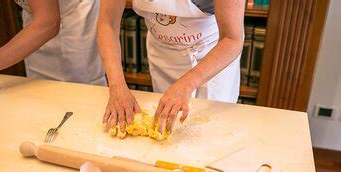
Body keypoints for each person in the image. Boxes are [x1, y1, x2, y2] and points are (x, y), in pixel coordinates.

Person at [98, 0, 244, 134]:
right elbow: (108, 23)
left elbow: (231, 39)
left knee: (211, 132)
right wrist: (117, 86)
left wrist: (187, 83)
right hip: (163, 53)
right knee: (168, 131)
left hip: (212, 56)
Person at [0, 0, 105, 85]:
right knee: (40, 90)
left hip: (74, 20)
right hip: (35, 20)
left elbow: (48, 24)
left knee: (80, 94)